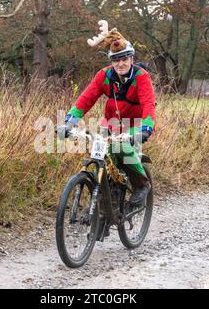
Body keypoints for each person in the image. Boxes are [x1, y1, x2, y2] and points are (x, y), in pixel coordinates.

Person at [57, 27, 156, 208]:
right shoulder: (104, 75)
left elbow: (149, 104)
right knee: (100, 154)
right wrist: (68, 122)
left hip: (135, 125)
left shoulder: (142, 77)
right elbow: (85, 99)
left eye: (124, 59)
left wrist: (145, 130)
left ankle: (141, 185)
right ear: (111, 61)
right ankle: (106, 200)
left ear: (132, 59)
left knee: (121, 147)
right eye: (116, 60)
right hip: (110, 124)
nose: (120, 64)